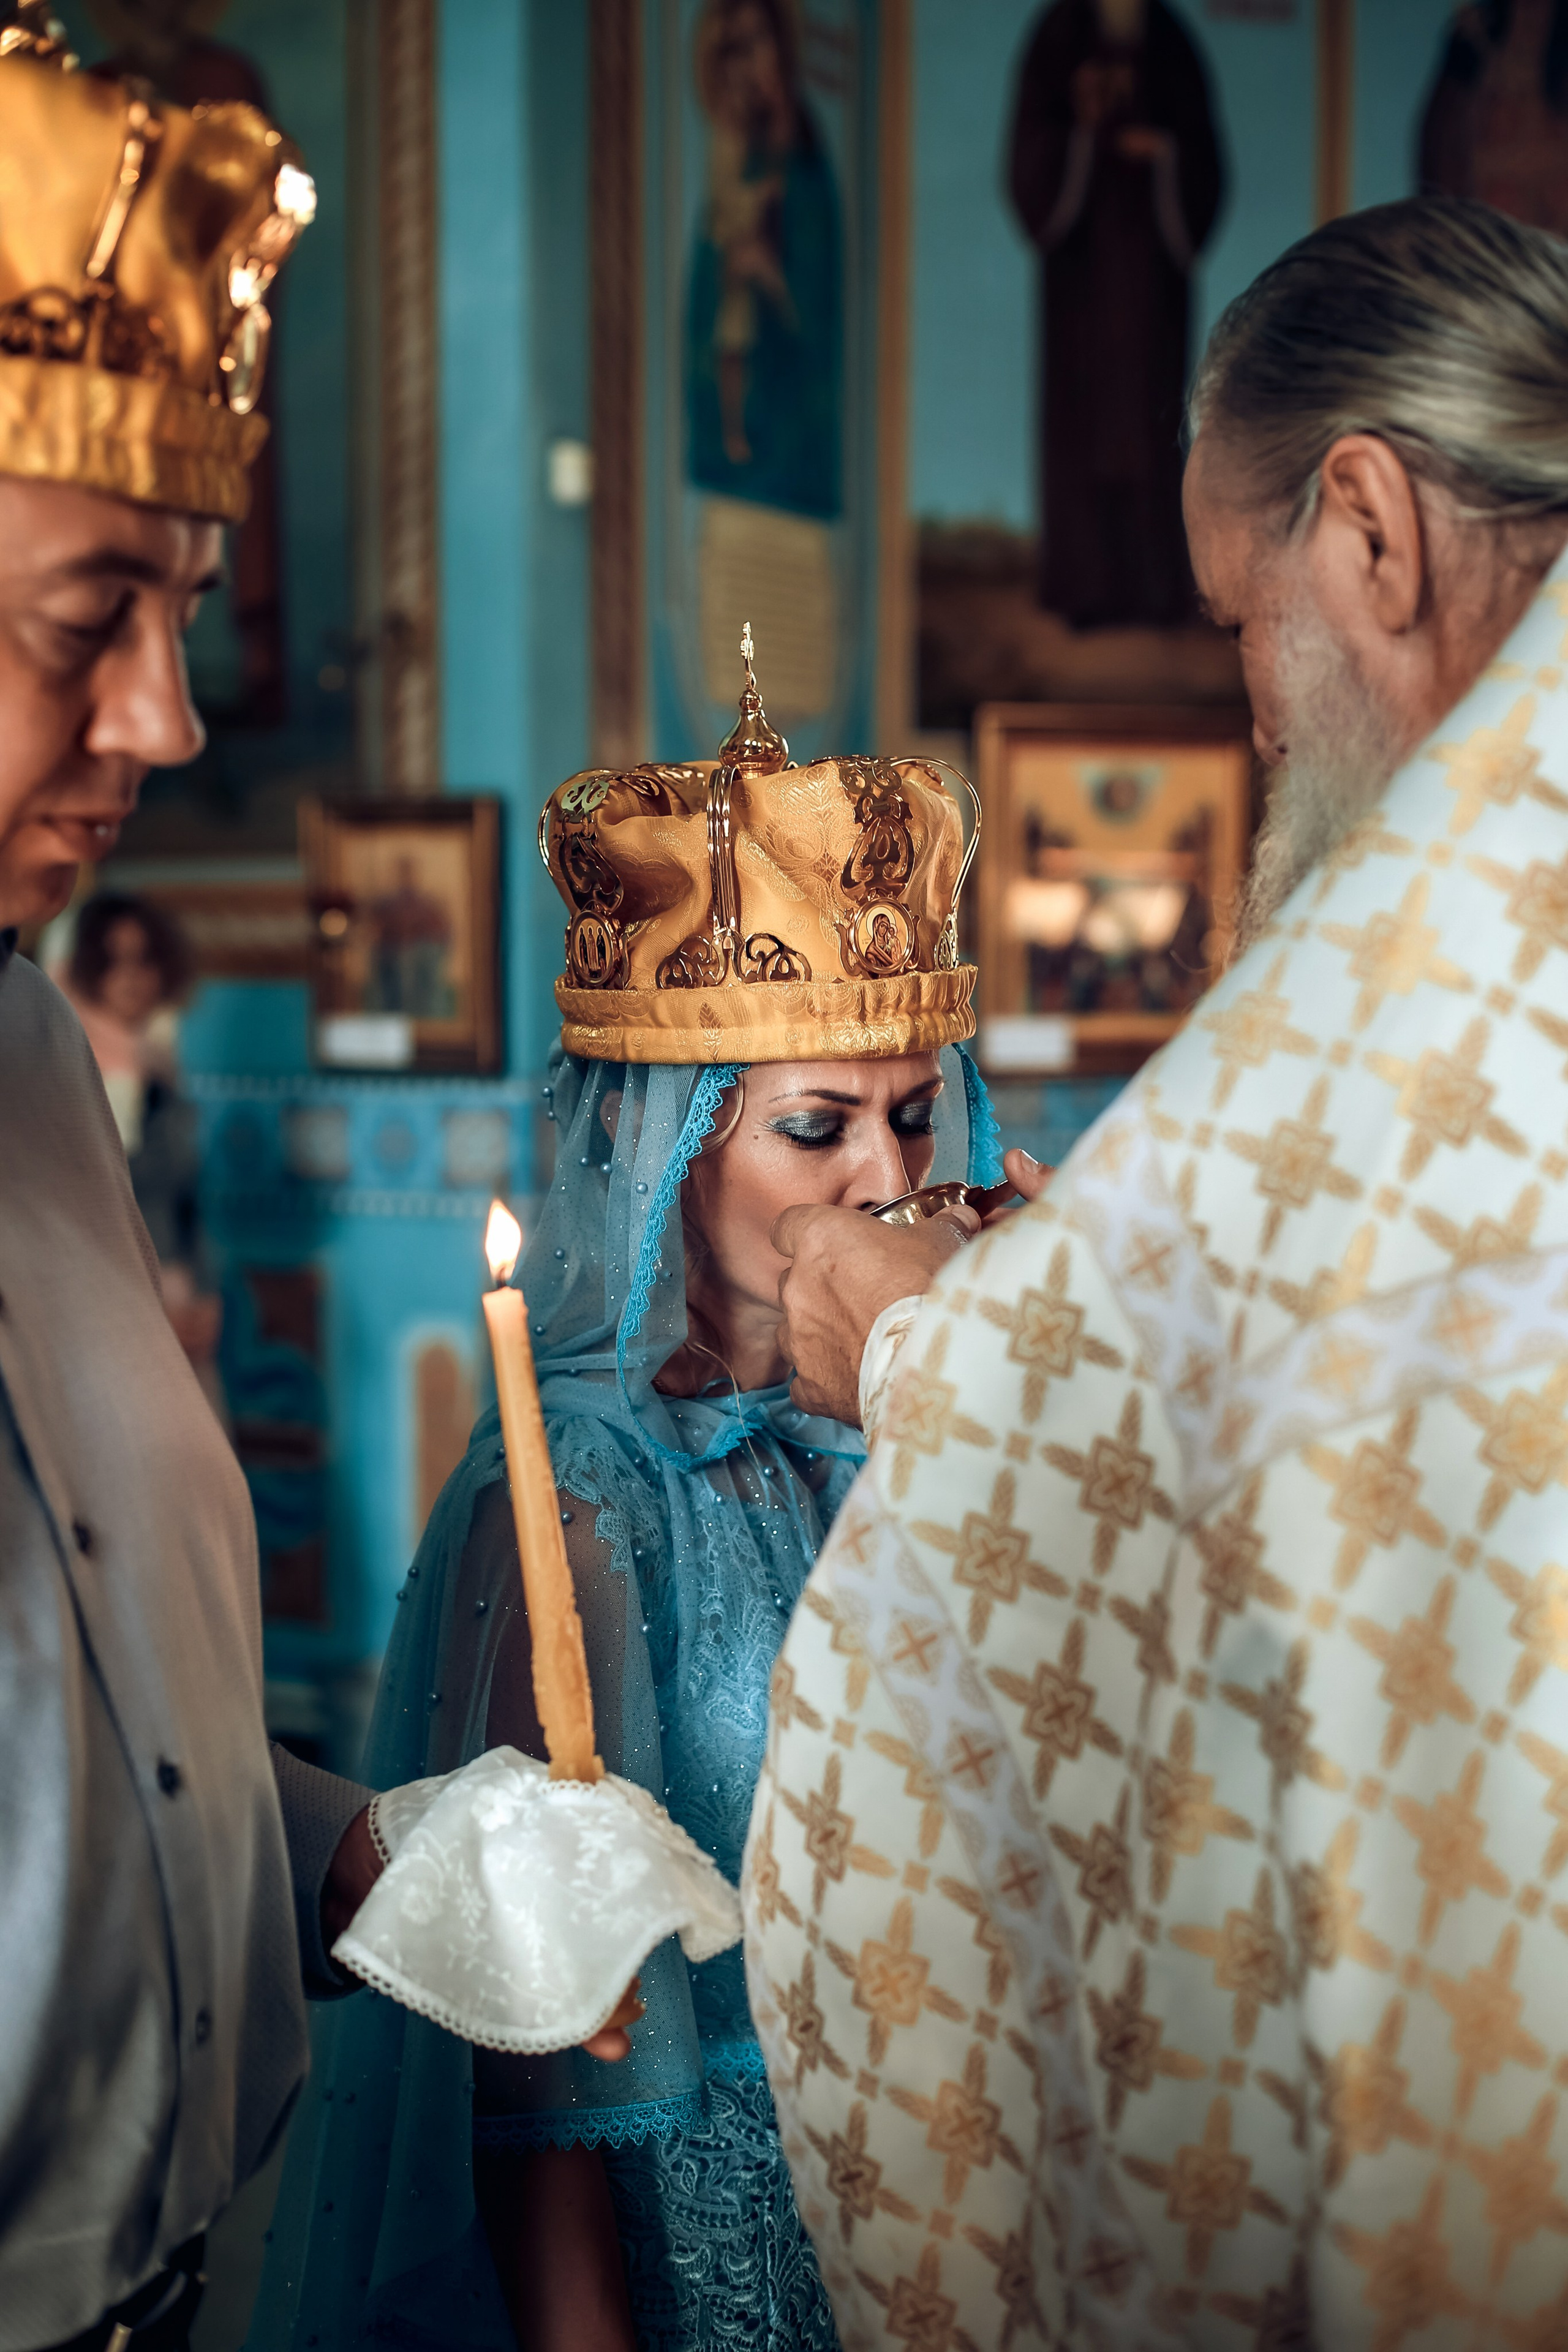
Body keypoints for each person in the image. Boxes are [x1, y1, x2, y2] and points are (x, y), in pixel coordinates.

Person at [746, 196, 1568, 2346]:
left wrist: (933, 1342)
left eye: (1241, 624)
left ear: (1372, 533)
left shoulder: (1479, 913)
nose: (1261, 719)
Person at [252, 659, 1012, 2351]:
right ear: (674, 1156)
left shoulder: (927, 1434)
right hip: (714, 2250)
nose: (885, 1183)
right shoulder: (580, 1502)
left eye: (907, 1117)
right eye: (813, 1128)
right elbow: (542, 2092)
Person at [1008, 0, 1224, 627]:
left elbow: (1202, 159)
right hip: (1079, 291)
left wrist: (1159, 153)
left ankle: (1153, 593)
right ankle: (1085, 592)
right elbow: (1029, 157)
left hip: (1151, 294)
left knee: (1150, 426)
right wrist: (1086, 139)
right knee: (1085, 432)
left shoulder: (1174, 43)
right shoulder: (1056, 37)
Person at [59, 892, 225, 1393]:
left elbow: (188, 1202)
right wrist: (141, 1312)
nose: (130, 978)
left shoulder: (157, 1072)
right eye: (112, 961)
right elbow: (86, 1216)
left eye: (144, 960)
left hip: (180, 1298)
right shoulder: (66, 1074)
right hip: (114, 1313)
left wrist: (207, 1294)